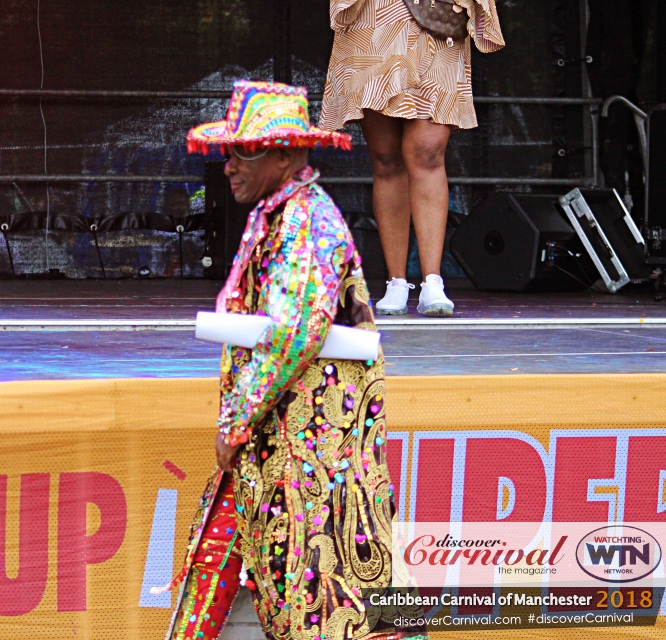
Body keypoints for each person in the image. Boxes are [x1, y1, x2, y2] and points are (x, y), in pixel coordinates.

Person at [161, 81, 426, 640]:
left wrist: (235, 423)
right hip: (284, 448)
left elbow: (291, 333)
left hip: (312, 454)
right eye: (229, 152)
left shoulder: (305, 222)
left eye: (244, 152)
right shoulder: (281, 215)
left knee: (331, 598)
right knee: (241, 570)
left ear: (284, 154)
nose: (228, 165)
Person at [319, 0, 505, 316]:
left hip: (434, 20)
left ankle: (433, 281)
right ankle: (396, 281)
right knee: (386, 158)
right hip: (374, 19)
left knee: (428, 151)